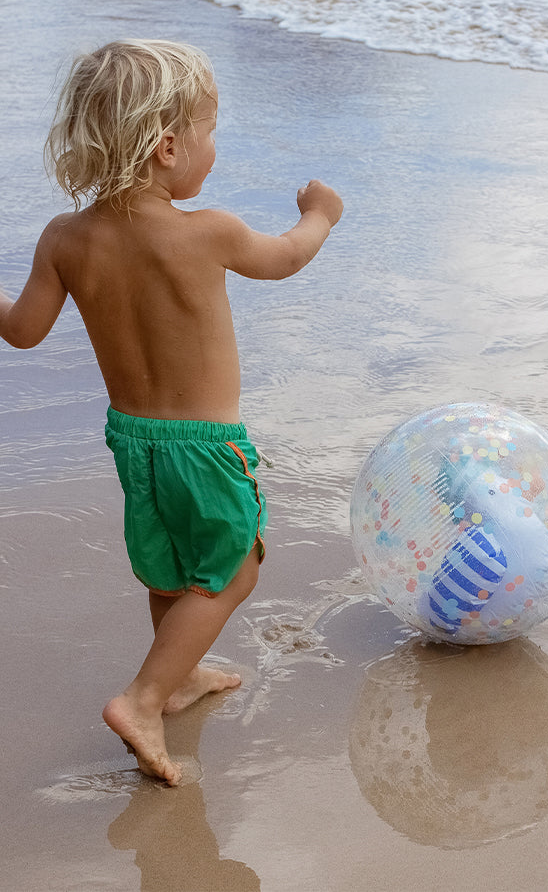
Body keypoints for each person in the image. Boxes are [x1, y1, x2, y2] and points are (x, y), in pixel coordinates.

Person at [0, 39, 343, 786]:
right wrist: (320, 214)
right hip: (206, 445)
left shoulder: (65, 239)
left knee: (171, 568)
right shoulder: (207, 231)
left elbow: (21, 330)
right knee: (234, 569)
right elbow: (285, 256)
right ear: (165, 148)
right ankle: (144, 696)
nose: (212, 148)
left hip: (133, 441)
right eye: (209, 132)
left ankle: (178, 678)